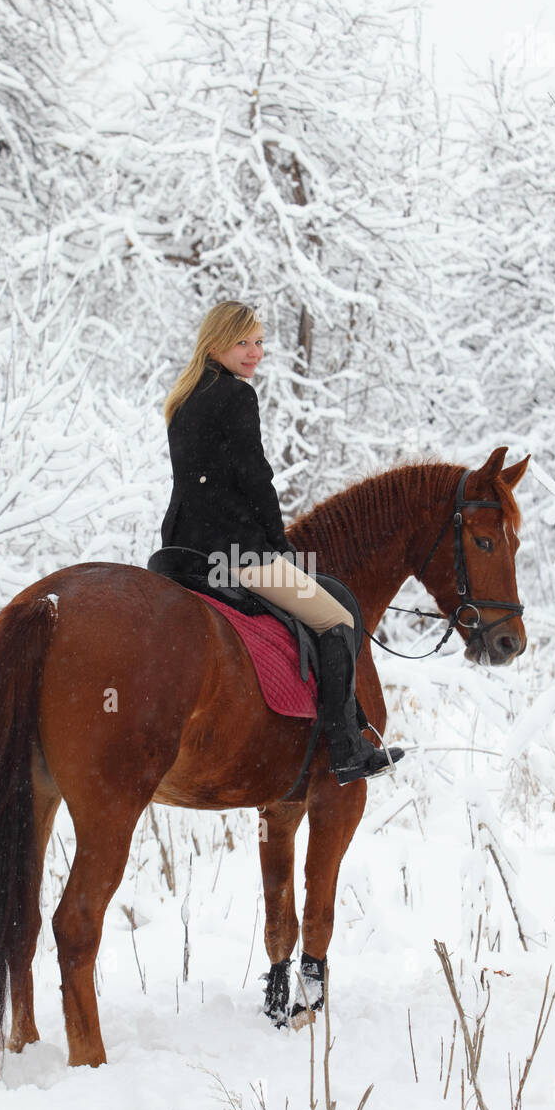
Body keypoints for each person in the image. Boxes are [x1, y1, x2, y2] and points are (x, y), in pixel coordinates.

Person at [160, 300, 403, 785]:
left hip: (180, 552)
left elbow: (201, 484)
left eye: (259, 342)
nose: (256, 353)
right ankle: (347, 749)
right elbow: (255, 479)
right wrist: (278, 546)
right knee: (335, 618)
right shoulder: (235, 396)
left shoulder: (183, 399)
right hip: (234, 553)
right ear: (216, 344)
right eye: (243, 343)